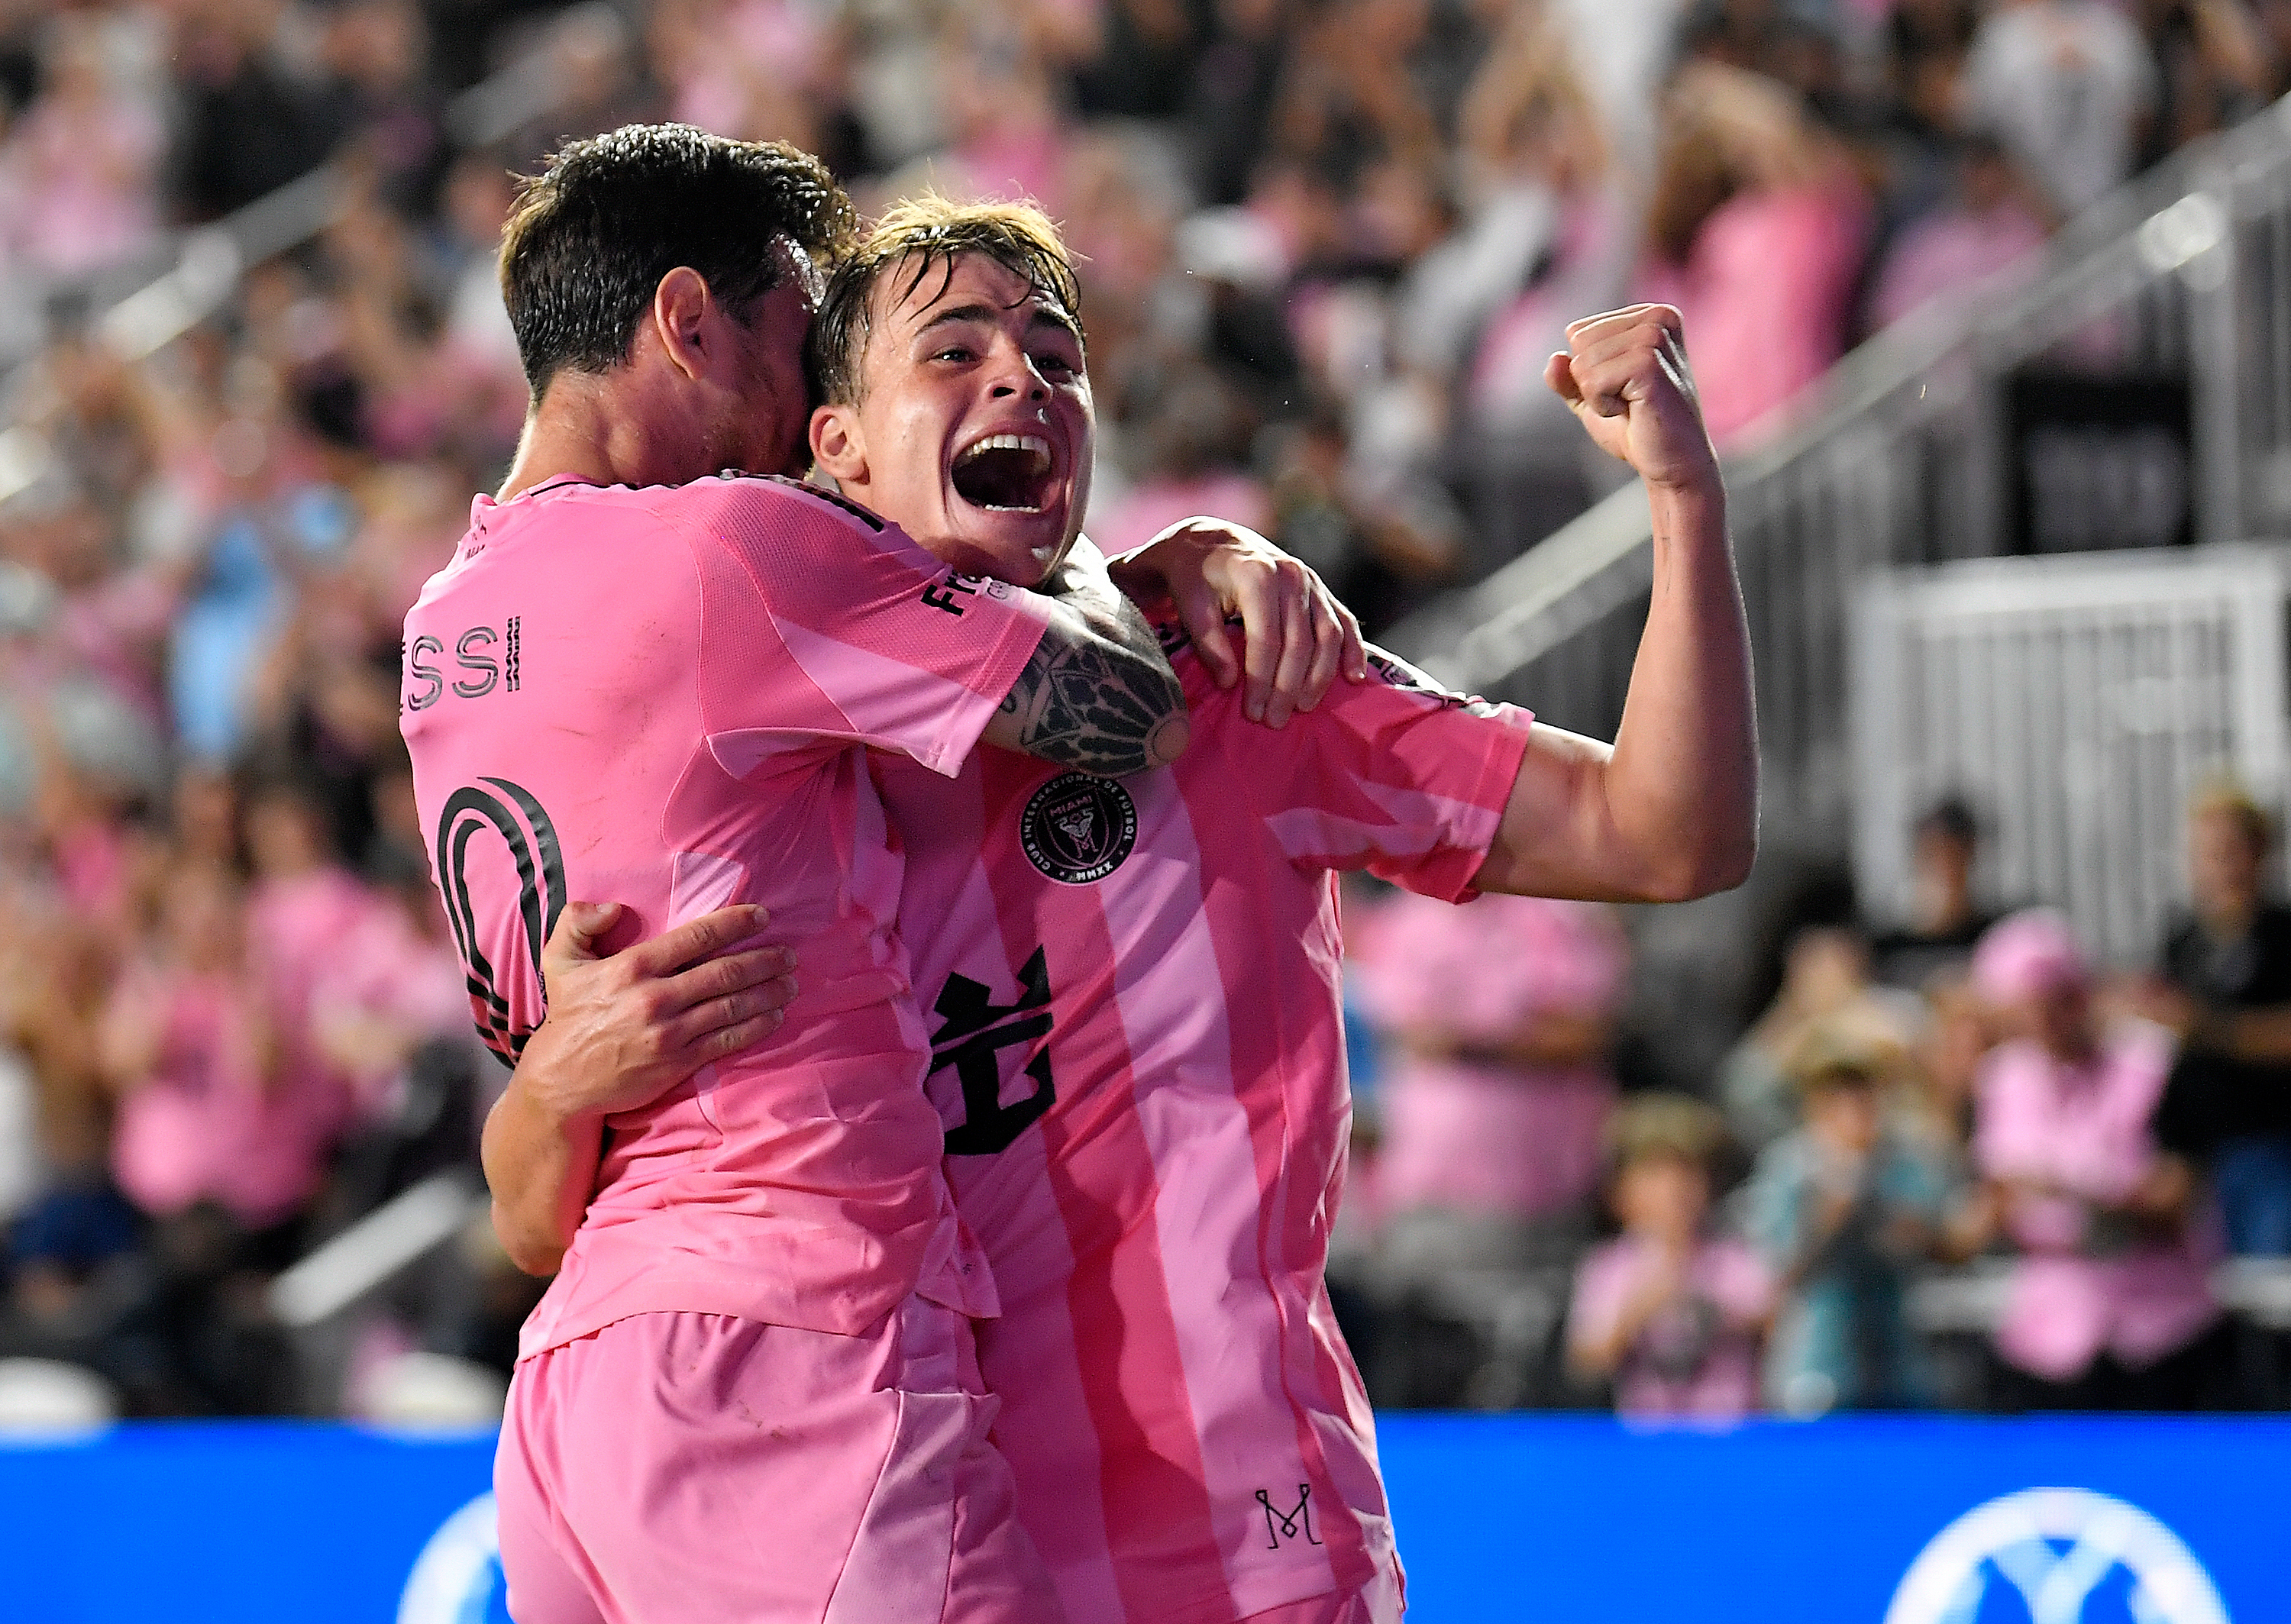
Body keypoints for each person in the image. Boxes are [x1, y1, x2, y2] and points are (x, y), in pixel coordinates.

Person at [497, 192, 1756, 1624]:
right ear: (834, 447)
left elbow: (1669, 836)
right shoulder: (758, 765)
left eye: (1054, 350)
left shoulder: (1230, 676)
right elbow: (551, 1213)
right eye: (955, 350)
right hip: (895, 1518)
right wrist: (548, 1085)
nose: (1022, 377)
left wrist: (1683, 501)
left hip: (1240, 1544)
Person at [404, 126, 1239, 1624]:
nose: (812, 410)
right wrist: (1172, 558)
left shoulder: (449, 632)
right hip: (796, 1354)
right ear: (685, 321)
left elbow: (536, 1202)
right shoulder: (732, 546)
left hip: (581, 1395)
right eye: (801, 341)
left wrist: (542, 1087)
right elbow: (1130, 709)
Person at [1969, 910, 2224, 1409]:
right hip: (2049, 1340)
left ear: (2080, 995)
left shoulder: (2158, 1064)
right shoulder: (2003, 1078)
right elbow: (1994, 1196)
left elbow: (2177, 1195)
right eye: (2023, 1010)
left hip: (2159, 1332)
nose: (2040, 1024)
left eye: (2052, 1004)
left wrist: (2075, 1193)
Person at [1741, 1026, 1957, 1414]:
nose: (1853, 1108)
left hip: (1900, 1361)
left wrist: (1902, 1226)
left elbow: (1944, 1249)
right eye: (1836, 1095)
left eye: (1863, 1093)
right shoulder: (1789, 1169)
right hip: (1815, 1364)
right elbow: (1775, 1273)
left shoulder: (1908, 1163)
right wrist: (1827, 1219)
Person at [2144, 783, 2291, 1256]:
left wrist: (2207, 1027)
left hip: (2270, 1150)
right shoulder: (2184, 941)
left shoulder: (2282, 935)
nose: (2223, 866)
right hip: (2194, 1157)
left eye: (2235, 851)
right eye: (2211, 853)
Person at [1567, 1095, 1774, 1420]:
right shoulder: (1611, 1265)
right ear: (1620, 1193)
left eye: (1687, 1175)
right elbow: (1588, 1358)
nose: (1674, 1191)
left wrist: (1718, 1308)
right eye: (1655, 1175)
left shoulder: (1731, 1257)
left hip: (1730, 1433)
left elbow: (1772, 1323)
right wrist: (1640, 1308)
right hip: (1649, 1439)